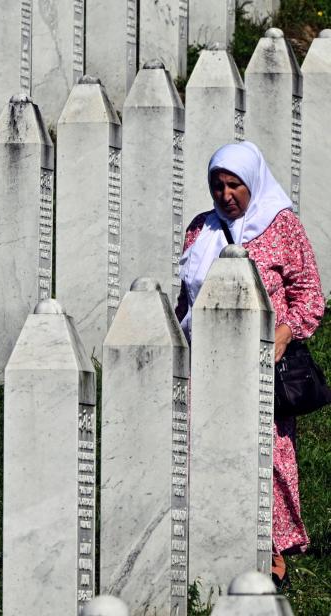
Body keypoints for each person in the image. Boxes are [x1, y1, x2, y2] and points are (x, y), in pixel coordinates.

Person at [176, 141, 326, 587]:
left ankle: (272, 550)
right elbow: (185, 294)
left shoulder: (281, 228)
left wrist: (284, 334)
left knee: (270, 456)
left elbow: (310, 297)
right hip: (206, 357)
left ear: (253, 182)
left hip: (265, 363)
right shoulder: (200, 229)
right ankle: (209, 538)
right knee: (200, 446)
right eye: (217, 185)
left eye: (234, 184)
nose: (225, 195)